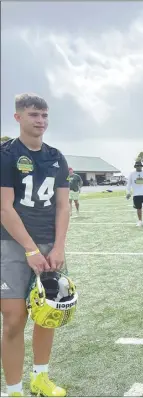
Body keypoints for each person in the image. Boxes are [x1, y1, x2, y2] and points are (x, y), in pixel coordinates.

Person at [0, 93, 70, 397]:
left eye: (44, 115)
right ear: (18, 118)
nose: (40, 121)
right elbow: (4, 207)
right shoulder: (5, 155)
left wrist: (58, 248)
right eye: (33, 115)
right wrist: (30, 249)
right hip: (12, 245)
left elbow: (63, 207)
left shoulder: (56, 156)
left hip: (49, 245)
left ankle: (40, 377)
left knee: (48, 312)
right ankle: (14, 389)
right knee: (14, 318)